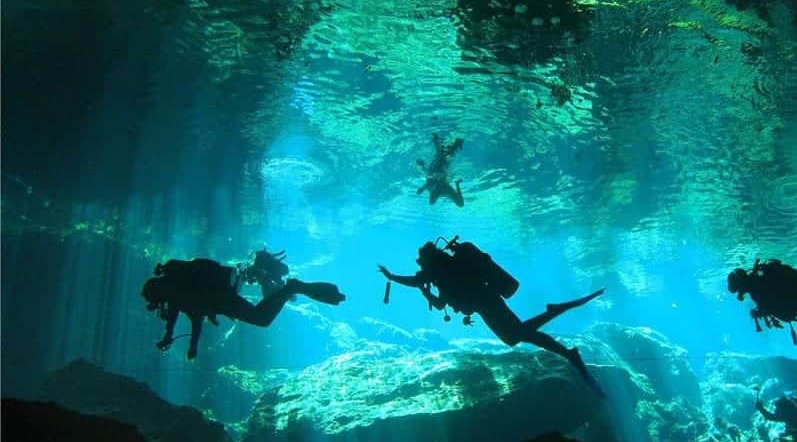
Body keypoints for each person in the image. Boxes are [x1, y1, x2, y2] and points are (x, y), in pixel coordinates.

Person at [378, 237, 606, 397]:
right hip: (487, 300)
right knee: (521, 335)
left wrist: (392, 276)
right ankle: (568, 352)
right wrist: (426, 290)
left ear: (428, 259)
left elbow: (416, 283)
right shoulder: (446, 266)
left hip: (485, 304)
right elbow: (439, 302)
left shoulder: (436, 270)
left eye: (421, 260)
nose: (420, 265)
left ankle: (555, 314)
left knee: (515, 336)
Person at [141, 258, 346, 360]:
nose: (158, 305)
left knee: (261, 319)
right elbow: (175, 316)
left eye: (154, 300)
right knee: (261, 318)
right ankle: (290, 288)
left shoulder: (176, 293)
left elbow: (194, 317)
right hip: (222, 296)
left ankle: (290, 288)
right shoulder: (174, 291)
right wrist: (168, 336)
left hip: (222, 298)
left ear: (157, 293)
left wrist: (193, 346)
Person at [416, 133, 464, 207]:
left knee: (440, 156)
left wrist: (421, 190)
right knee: (446, 156)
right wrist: (457, 185)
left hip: (434, 168)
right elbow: (460, 204)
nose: (433, 192)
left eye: (432, 194)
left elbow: (424, 186)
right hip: (442, 169)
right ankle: (453, 143)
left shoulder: (429, 185)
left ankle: (437, 140)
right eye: (434, 195)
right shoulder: (445, 190)